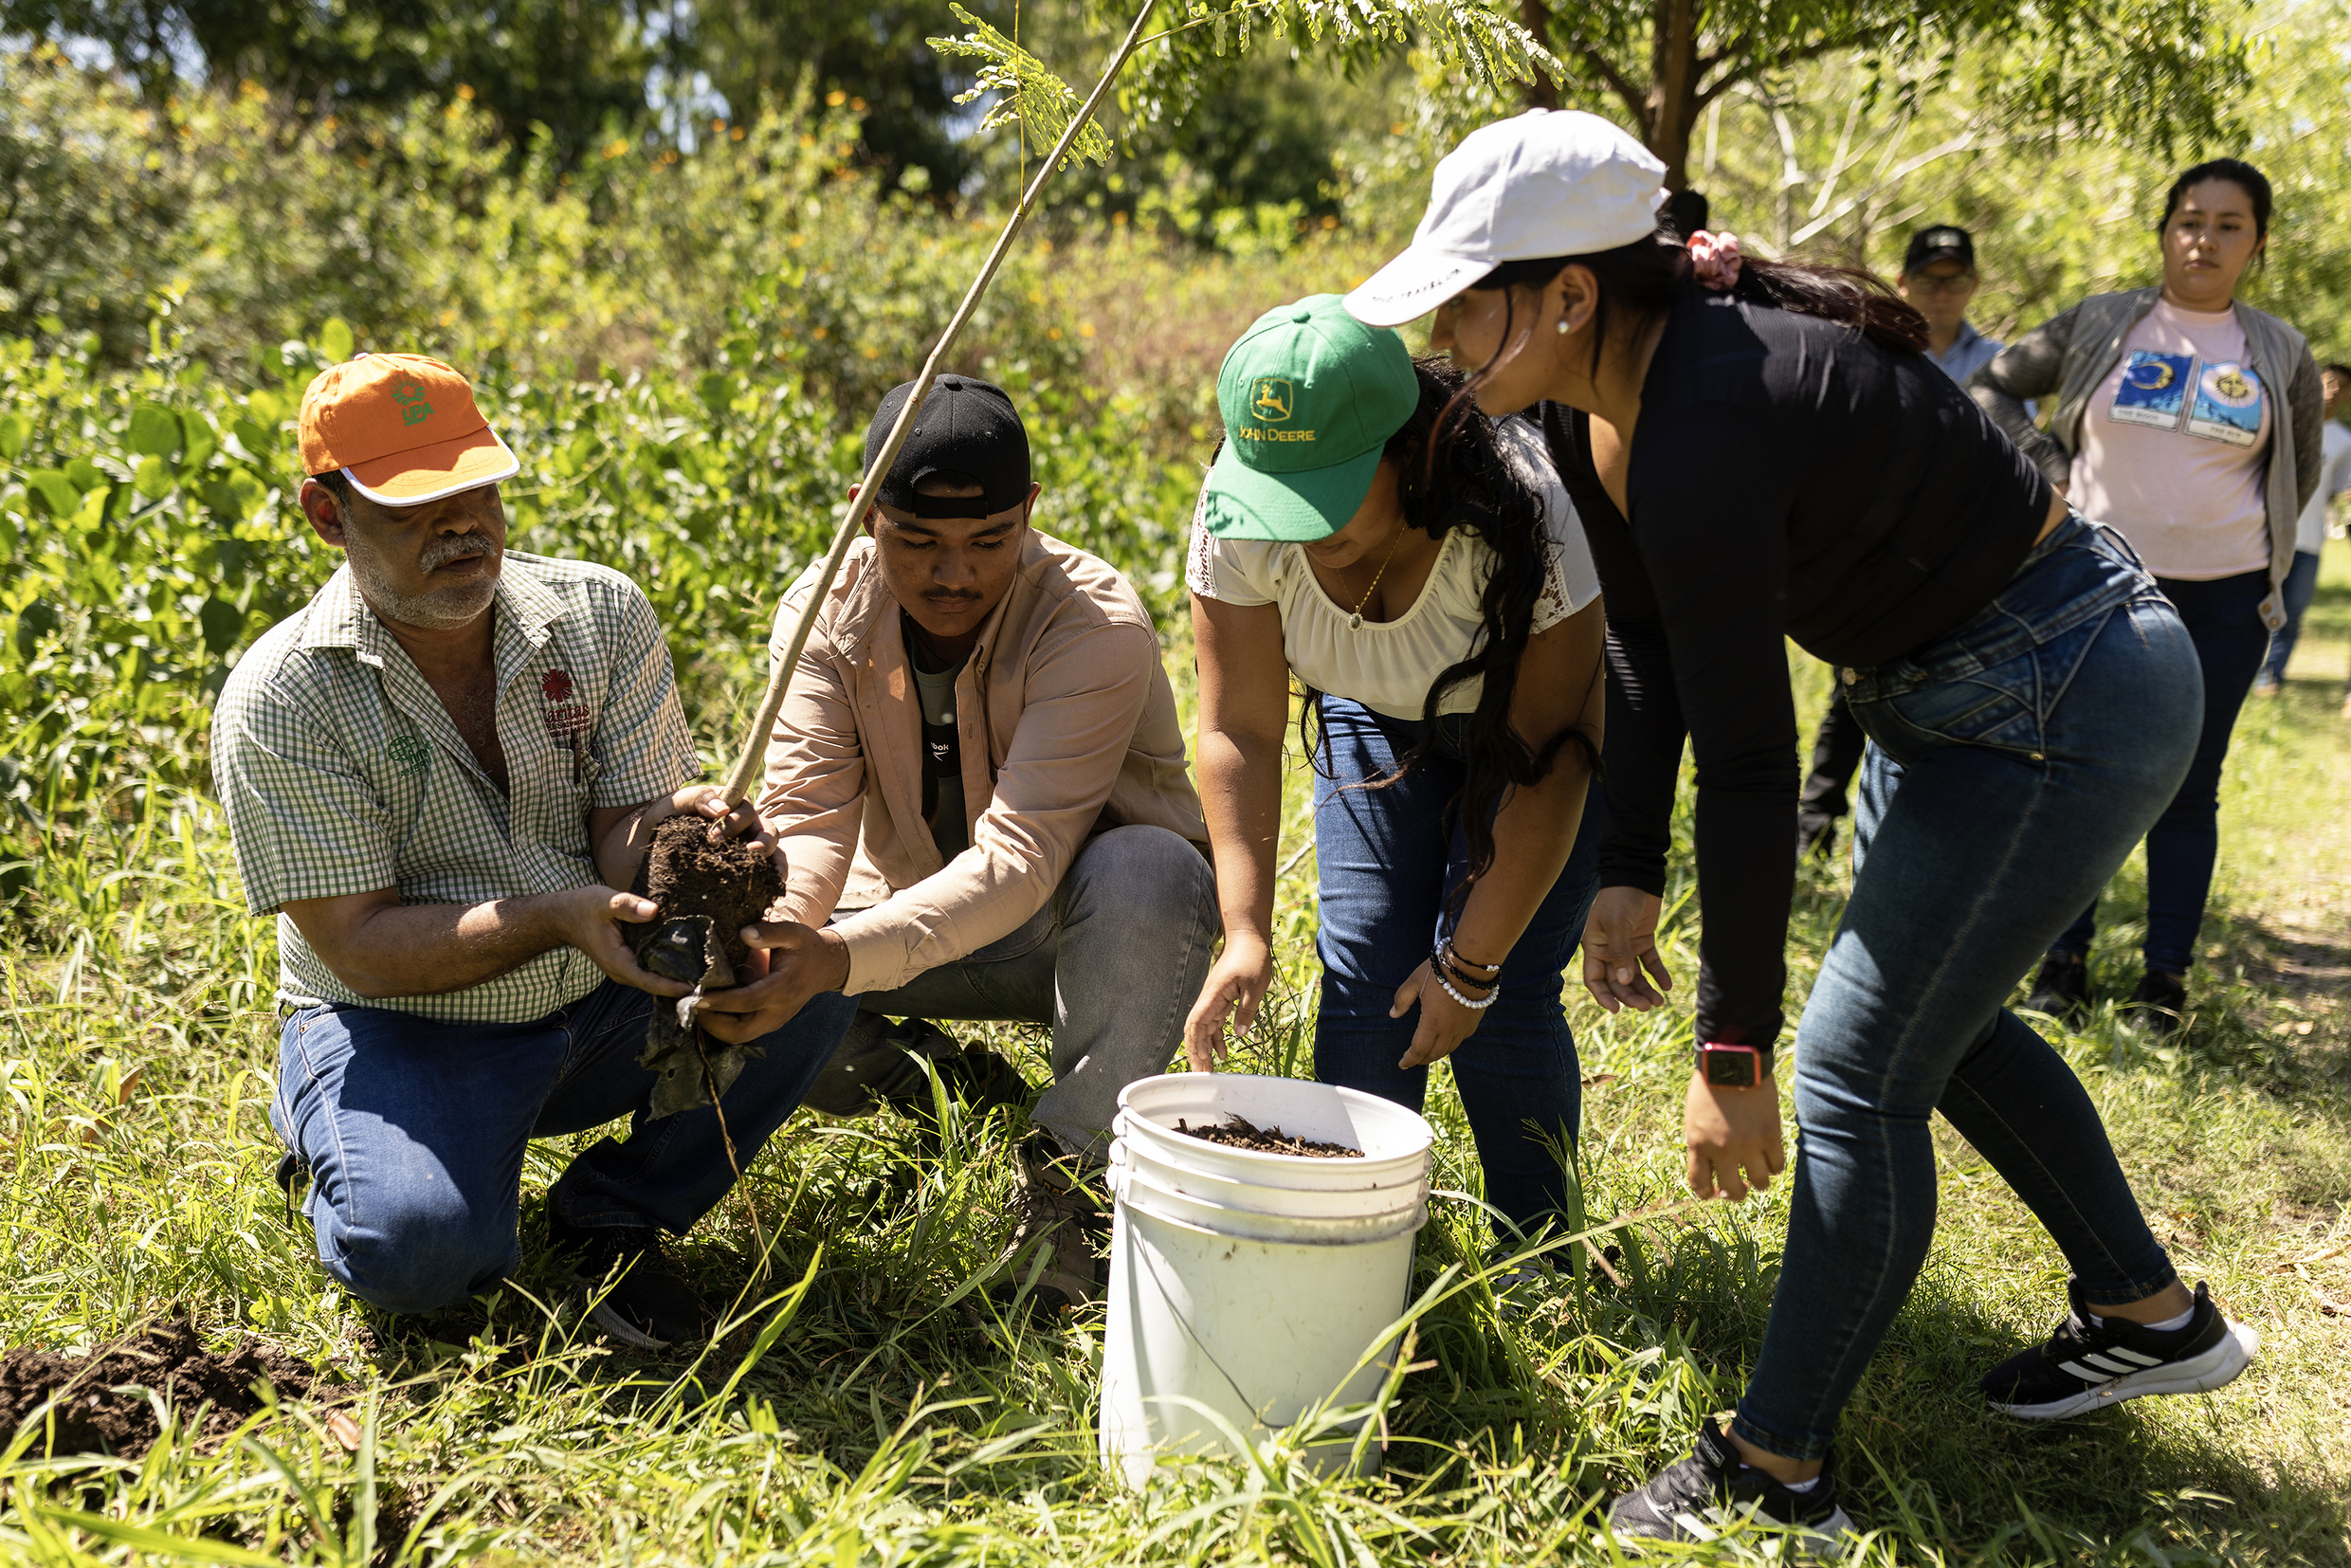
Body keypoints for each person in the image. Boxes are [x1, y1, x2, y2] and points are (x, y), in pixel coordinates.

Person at [1346, 109, 2259, 1545]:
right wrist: (1630, 871)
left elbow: (1758, 761)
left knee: (1852, 1070)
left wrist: (1733, 1049)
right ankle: (2148, 1311)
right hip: (1975, 690)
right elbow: (1646, 651)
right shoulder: (1599, 408)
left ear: (1572, 292)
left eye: (1471, 294)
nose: (1451, 332)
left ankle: (1779, 1470)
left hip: (2063, 689)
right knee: (1930, 1020)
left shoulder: (1712, 411)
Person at [215, 354, 854, 1351]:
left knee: (815, 962)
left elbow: (623, 827)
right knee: (420, 1257)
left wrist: (676, 840)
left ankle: (616, 1213)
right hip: (404, 1021)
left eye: (478, 487)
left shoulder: (597, 615)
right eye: (416, 507)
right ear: (326, 515)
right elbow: (363, 945)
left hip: (593, 997)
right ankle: (335, 1134)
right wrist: (556, 916)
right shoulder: (284, 696)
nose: (463, 524)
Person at [717, 374, 1217, 1311]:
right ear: (866, 514)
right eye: (918, 542)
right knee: (768, 993)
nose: (955, 574)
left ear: (1029, 512)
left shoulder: (1092, 622)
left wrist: (839, 955)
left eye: (989, 542)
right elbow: (810, 819)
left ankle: (1068, 1181)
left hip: (1081, 930)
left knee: (1150, 866)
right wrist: (780, 941)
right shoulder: (825, 611)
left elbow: (1021, 855)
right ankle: (952, 1091)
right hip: (904, 919)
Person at [1180, 296, 1606, 1250]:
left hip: (1524, 740)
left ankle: (1540, 1253)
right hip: (1371, 723)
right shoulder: (1238, 512)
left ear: (1408, 450)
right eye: (1275, 495)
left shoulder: (1518, 508)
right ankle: (1359, 1251)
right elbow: (1238, 726)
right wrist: (1243, 930)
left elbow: (1551, 756)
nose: (1293, 527)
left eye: (1323, 493)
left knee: (1500, 998)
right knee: (1368, 978)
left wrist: (1471, 963)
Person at [1975, 159, 2324, 1034]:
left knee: (2189, 786)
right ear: (2165, 231)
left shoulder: (2279, 351)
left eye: (2229, 224)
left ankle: (2163, 982)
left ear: (2258, 243)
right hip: (2096, 586)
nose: (2204, 238)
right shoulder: (2104, 322)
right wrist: (2051, 473)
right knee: (2074, 774)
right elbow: (1996, 383)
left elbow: (2301, 466)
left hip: (2227, 601)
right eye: (2189, 220)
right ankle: (2063, 965)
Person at [1797, 223, 2013, 861]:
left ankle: (1928, 841)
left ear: (1972, 285)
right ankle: (1813, 831)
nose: (1941, 292)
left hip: (1964, 558)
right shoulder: (1876, 350)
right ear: (1903, 282)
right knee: (1852, 693)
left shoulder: (2001, 365)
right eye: (1927, 278)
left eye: (1953, 280)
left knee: (1952, 693)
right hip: (1877, 552)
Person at [2253, 361, 2351, 698]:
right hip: (2260, 533)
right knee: (2245, 605)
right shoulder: (2282, 422)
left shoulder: (2344, 441)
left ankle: (2271, 677)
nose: (2333, 391)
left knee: (2291, 613)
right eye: (2328, 382)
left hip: (2308, 541)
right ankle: (2240, 669)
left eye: (2342, 387)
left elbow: (2343, 489)